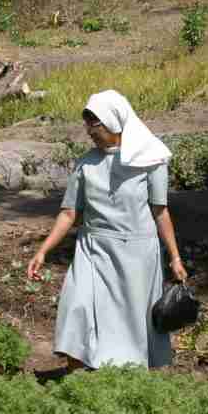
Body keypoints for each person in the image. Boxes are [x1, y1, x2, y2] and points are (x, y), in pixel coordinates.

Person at [27, 90, 188, 371]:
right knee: (77, 307)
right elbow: (69, 213)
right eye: (87, 124)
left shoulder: (150, 160)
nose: (89, 131)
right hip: (93, 249)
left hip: (135, 253)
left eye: (95, 124)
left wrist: (174, 257)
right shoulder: (86, 164)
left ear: (114, 122)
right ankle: (76, 374)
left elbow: (160, 211)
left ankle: (126, 377)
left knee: (129, 322)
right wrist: (43, 251)